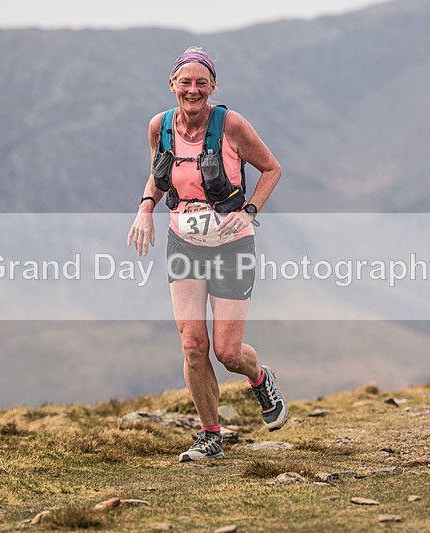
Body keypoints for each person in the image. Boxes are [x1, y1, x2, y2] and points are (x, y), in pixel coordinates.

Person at [127, 47, 288, 462]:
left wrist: (250, 211)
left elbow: (272, 168)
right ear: (172, 86)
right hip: (184, 242)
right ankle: (210, 436)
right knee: (193, 345)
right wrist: (146, 207)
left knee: (227, 352)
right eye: (186, 82)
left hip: (232, 245)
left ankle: (260, 378)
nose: (193, 90)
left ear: (213, 87)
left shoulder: (231, 124)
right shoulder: (159, 126)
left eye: (202, 83)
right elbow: (159, 174)